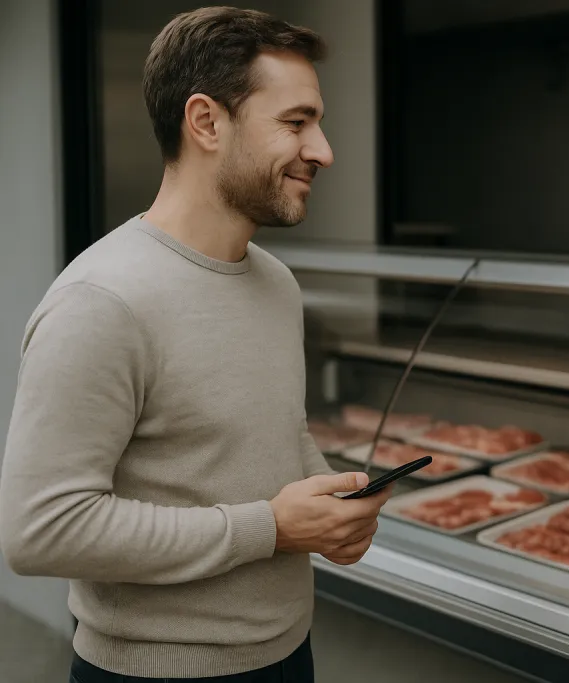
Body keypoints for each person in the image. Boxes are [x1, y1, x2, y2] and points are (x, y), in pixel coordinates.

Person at [0, 7, 388, 682]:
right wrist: (271, 526)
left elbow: (278, 432)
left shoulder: (277, 283)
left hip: (288, 653)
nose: (323, 150)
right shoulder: (101, 300)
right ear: (206, 122)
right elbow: (41, 531)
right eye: (296, 123)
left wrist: (333, 504)